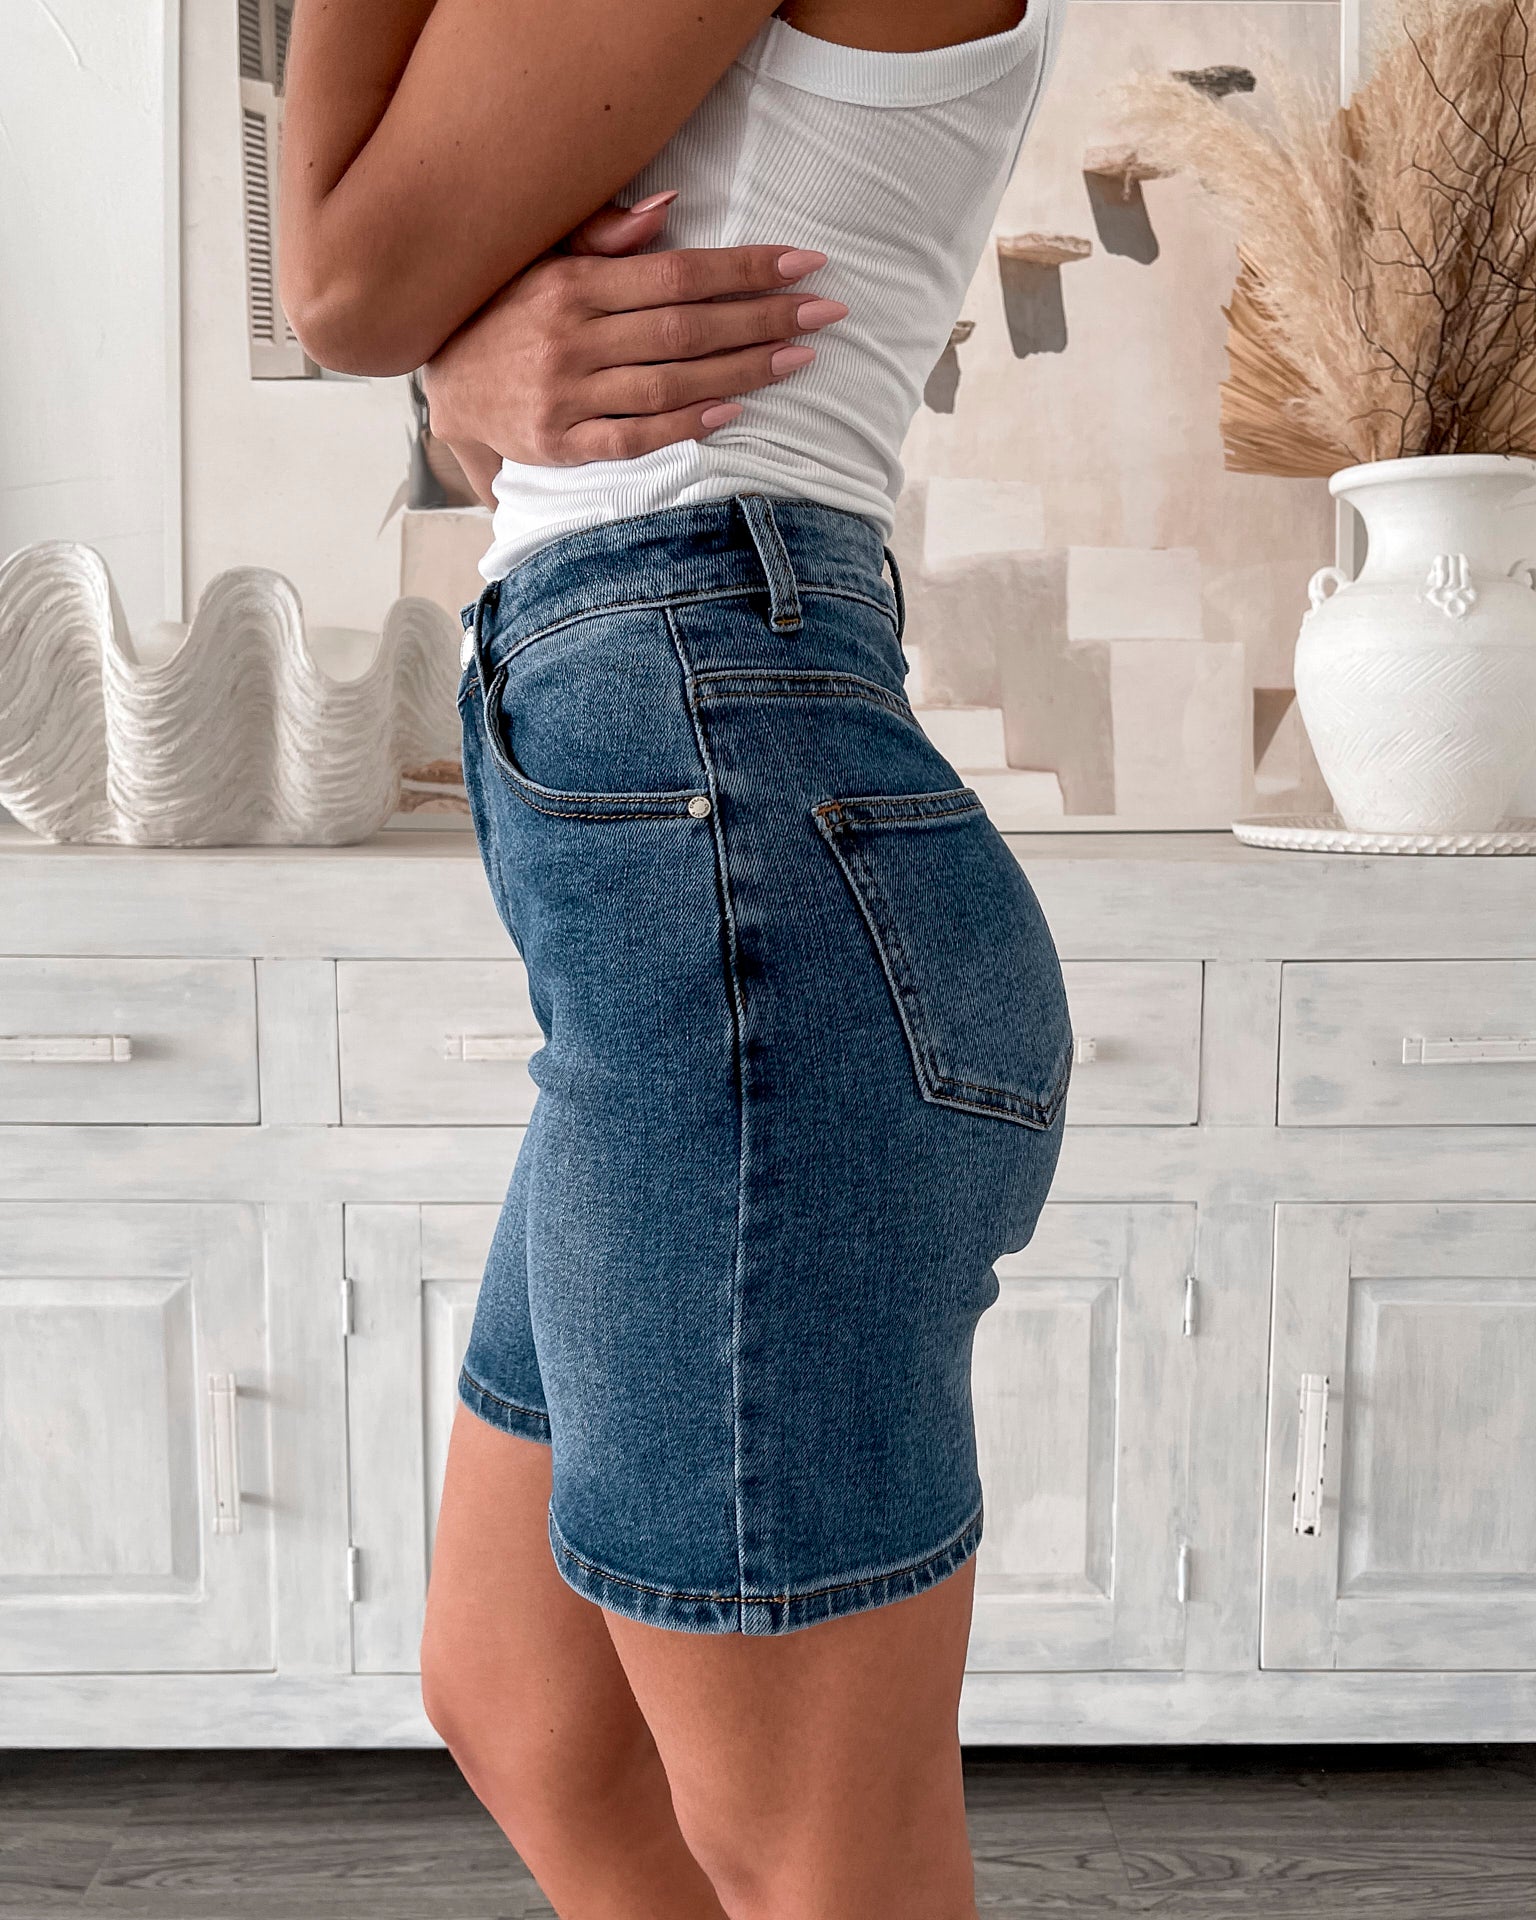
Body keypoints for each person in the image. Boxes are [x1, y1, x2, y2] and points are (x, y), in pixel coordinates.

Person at [280, 5, 1070, 1915]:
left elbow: (343, 272)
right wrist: (456, 367)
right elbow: (412, 329)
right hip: (683, 848)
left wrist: (430, 337)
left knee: (817, 1852)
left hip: (733, 834)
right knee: (526, 1708)